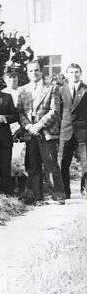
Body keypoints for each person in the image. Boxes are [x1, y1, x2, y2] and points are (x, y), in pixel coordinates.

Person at [16, 61, 66, 204]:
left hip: (47, 131)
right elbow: (19, 112)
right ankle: (37, 197)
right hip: (30, 133)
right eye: (31, 71)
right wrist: (29, 127)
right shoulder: (23, 90)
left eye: (37, 70)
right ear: (27, 73)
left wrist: (39, 125)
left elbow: (55, 111)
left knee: (51, 164)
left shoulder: (52, 88)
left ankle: (58, 195)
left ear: (41, 71)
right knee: (33, 165)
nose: (34, 73)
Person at [59, 63, 87, 199]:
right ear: (66, 74)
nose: (74, 74)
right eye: (71, 72)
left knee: (86, 163)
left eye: (76, 72)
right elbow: (57, 111)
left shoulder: (86, 89)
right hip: (66, 130)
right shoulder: (60, 90)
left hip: (84, 131)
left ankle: (85, 189)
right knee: (63, 163)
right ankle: (65, 191)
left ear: (80, 73)